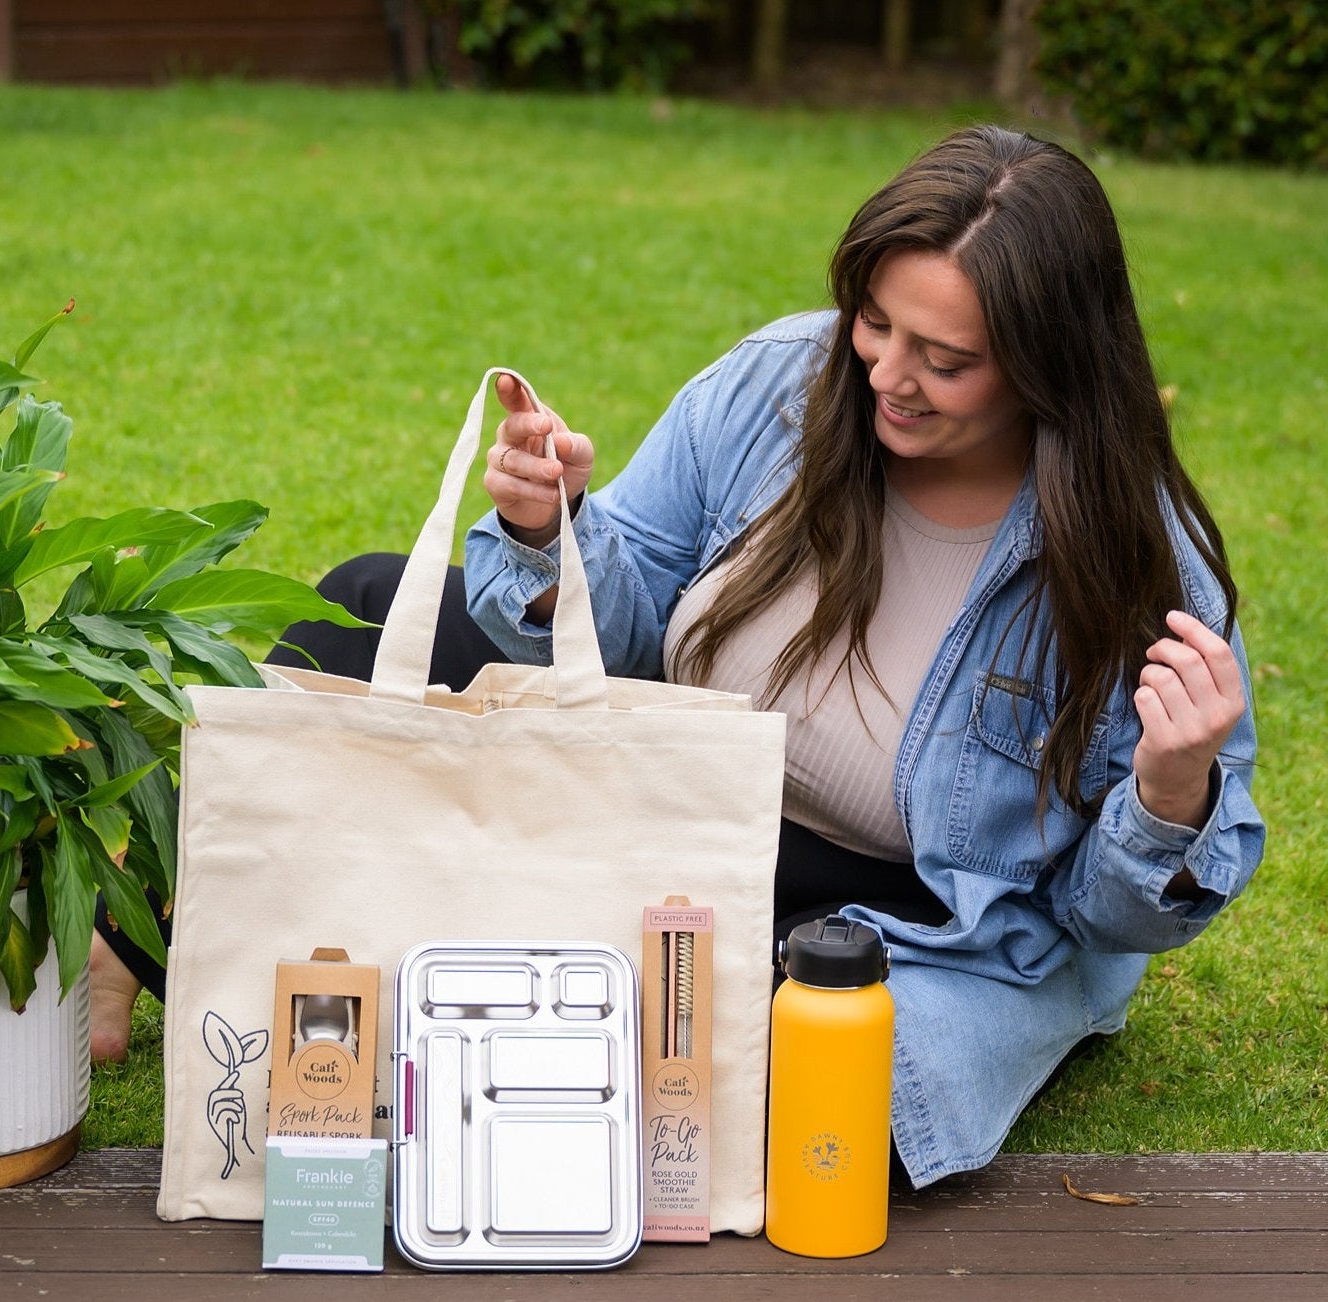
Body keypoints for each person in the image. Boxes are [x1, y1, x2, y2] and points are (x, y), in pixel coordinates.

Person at [91, 125, 1265, 1189]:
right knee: (362, 606)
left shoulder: (1135, 559)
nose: (883, 375)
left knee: (728, 1114)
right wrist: (550, 531)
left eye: (942, 360)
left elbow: (1107, 921)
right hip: (680, 793)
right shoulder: (781, 382)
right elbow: (633, 605)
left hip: (897, 915)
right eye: (874, 321)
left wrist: (1170, 793)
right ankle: (134, 941)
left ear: (1049, 363)